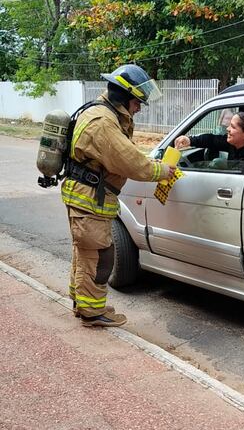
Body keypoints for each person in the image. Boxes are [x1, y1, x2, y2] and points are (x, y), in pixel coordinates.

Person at [61, 64, 175, 328]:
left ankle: (83, 303)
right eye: (137, 102)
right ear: (124, 96)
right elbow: (131, 163)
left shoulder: (104, 114)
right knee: (99, 256)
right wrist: (163, 170)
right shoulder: (103, 123)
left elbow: (123, 154)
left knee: (86, 253)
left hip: (87, 196)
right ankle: (92, 313)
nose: (139, 107)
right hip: (89, 199)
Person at [174, 111, 244, 163]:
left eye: (233, 127)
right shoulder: (233, 143)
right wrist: (190, 140)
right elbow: (211, 140)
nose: (227, 129)